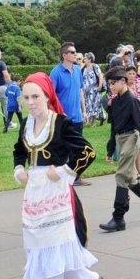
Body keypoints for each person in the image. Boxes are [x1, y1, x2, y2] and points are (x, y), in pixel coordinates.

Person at [11, 73, 106, 279]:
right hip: (34, 196)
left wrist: (64, 171)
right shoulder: (27, 123)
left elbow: (87, 152)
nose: (30, 103)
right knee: (50, 258)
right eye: (26, 97)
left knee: (47, 258)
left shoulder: (61, 123)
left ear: (47, 96)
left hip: (56, 197)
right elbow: (19, 149)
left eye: (35, 97)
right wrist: (19, 170)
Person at [99, 66, 140, 232]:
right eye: (109, 83)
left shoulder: (132, 100)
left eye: (113, 83)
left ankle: (118, 218)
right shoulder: (116, 100)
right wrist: (110, 149)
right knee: (131, 180)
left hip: (132, 138)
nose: (111, 86)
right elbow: (114, 128)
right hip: (121, 139)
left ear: (122, 81)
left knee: (121, 176)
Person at [50, 42, 89, 185]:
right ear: (64, 55)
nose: (75, 54)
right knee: (62, 149)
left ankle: (76, 177)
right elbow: (51, 96)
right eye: (72, 52)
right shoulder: (56, 72)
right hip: (63, 119)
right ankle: (60, 177)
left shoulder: (78, 70)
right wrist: (59, 114)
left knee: (78, 149)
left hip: (77, 117)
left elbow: (80, 91)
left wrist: (84, 111)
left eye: (75, 52)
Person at [81, 52, 104, 128]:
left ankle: (93, 123)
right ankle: (101, 117)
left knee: (94, 106)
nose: (84, 59)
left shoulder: (95, 66)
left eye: (85, 58)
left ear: (90, 59)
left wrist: (100, 86)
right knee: (87, 106)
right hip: (86, 91)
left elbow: (100, 75)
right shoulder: (83, 68)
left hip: (94, 90)